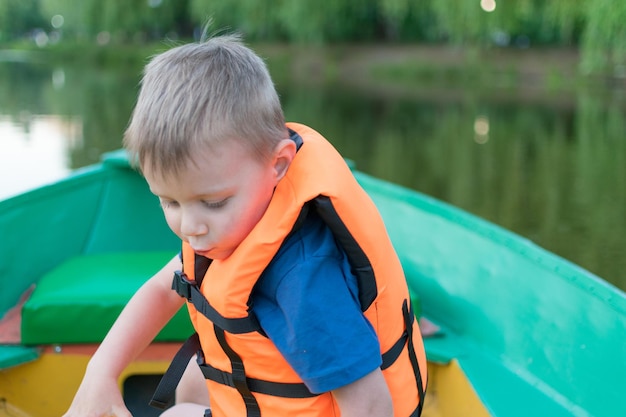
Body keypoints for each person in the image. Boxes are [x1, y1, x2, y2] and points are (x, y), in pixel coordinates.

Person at [63, 33, 427, 417]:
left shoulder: (302, 283)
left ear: (279, 165)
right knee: (194, 375)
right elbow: (160, 290)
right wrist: (99, 372)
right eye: (169, 201)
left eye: (214, 202)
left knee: (175, 415)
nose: (190, 227)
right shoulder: (226, 228)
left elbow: (371, 406)